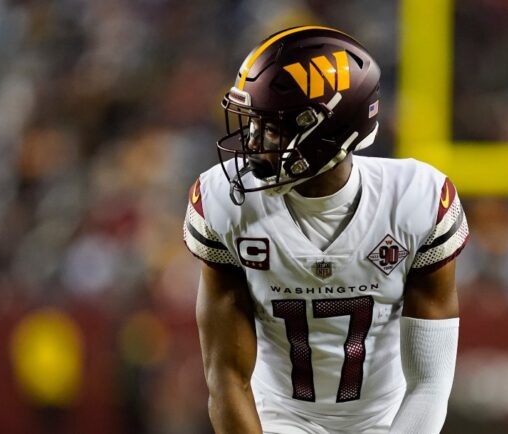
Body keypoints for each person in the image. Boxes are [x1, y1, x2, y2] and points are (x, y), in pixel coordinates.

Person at [183, 25, 469, 434]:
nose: (253, 142)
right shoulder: (225, 203)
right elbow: (226, 379)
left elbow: (430, 384)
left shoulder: (415, 202)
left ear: (326, 133)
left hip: (388, 422)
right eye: (253, 124)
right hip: (278, 419)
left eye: (273, 127)